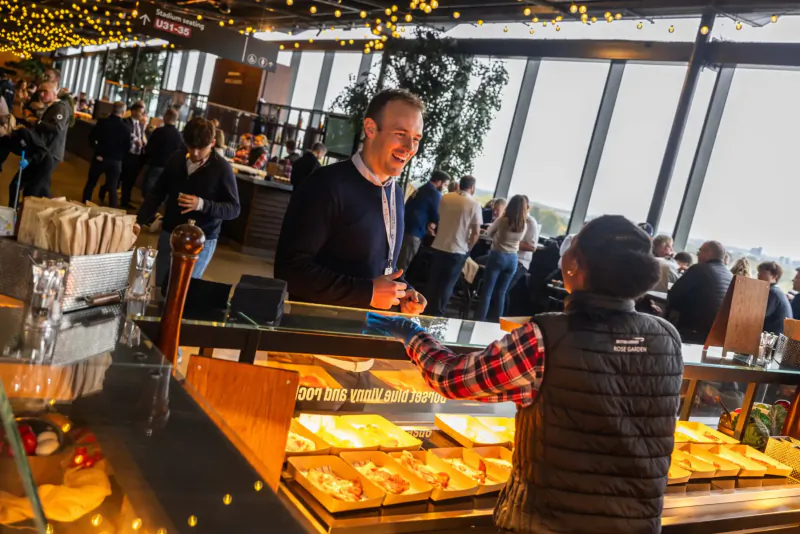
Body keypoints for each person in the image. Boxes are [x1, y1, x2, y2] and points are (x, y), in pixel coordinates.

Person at [366, 214, 682, 534]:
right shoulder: (667, 337)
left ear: (575, 263)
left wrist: (412, 333)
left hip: (549, 523)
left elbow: (452, 379)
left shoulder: (549, 335)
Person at [275, 89, 427, 313]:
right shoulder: (325, 185)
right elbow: (290, 270)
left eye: (415, 138)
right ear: (370, 129)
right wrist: (369, 293)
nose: (410, 147)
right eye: (400, 133)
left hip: (366, 334)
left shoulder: (394, 192)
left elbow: (381, 268)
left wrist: (403, 292)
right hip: (312, 336)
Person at [137, 118, 240, 288]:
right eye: (191, 147)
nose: (196, 153)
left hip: (202, 239)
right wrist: (139, 221)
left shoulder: (222, 168)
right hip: (170, 233)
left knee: (183, 289)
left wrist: (202, 204)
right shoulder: (176, 158)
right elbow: (157, 193)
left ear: (213, 143)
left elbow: (234, 209)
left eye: (202, 148)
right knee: (161, 287)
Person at [426, 175, 483, 316]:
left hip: (439, 245)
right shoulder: (474, 204)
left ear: (459, 184)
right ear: (472, 187)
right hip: (458, 250)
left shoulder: (446, 198)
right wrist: (468, 249)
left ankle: (424, 310)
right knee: (447, 285)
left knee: (432, 282)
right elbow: (476, 233)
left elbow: (440, 218)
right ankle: (437, 315)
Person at [7, 81, 71, 204]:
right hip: (41, 152)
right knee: (38, 188)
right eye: (40, 91)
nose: (41, 94)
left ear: (54, 93)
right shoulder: (51, 107)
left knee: (34, 189)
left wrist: (37, 122)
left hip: (49, 153)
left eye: (45, 91)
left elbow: (57, 128)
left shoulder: (60, 108)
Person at [667, 240, 733, 343]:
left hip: (694, 330)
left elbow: (674, 296)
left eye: (700, 251)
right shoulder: (730, 275)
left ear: (709, 253)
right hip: (718, 334)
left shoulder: (699, 269)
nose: (697, 254)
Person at [476, 195, 527, 322]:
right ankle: (495, 322)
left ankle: (479, 321)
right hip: (513, 260)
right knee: (501, 293)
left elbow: (489, 233)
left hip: (498, 255)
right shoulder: (524, 225)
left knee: (487, 291)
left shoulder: (502, 220)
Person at [397, 170, 450, 272]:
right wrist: (434, 224)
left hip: (405, 228)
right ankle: (396, 286)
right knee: (402, 266)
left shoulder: (421, 189)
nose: (445, 188)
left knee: (398, 260)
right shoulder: (434, 193)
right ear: (439, 182)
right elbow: (437, 214)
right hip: (415, 233)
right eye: (445, 185)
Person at [82, 101, 131, 208]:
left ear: (112, 110)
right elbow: (128, 147)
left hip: (100, 157)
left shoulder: (102, 122)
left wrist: (96, 149)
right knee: (112, 187)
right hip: (115, 161)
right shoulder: (126, 128)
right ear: (123, 112)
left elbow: (91, 137)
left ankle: (84, 204)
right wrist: (120, 156)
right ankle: (113, 209)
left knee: (91, 183)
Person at [140, 108, 184, 198]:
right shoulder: (179, 136)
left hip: (156, 163)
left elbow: (150, 148)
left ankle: (147, 203)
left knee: (149, 184)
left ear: (166, 117)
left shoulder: (159, 131)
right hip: (170, 166)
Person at [118, 100, 146, 208]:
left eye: (143, 112)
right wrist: (135, 140)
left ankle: (125, 200)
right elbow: (127, 134)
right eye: (140, 112)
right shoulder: (125, 122)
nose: (142, 115)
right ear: (133, 111)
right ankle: (106, 189)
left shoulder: (141, 124)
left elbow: (142, 136)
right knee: (122, 177)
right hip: (127, 154)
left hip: (137, 156)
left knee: (130, 180)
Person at [757, 261, 792, 334]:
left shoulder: (773, 293)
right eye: (759, 273)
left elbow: (759, 316)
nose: (759, 276)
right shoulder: (776, 291)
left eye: (762, 273)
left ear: (774, 277)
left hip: (774, 339)